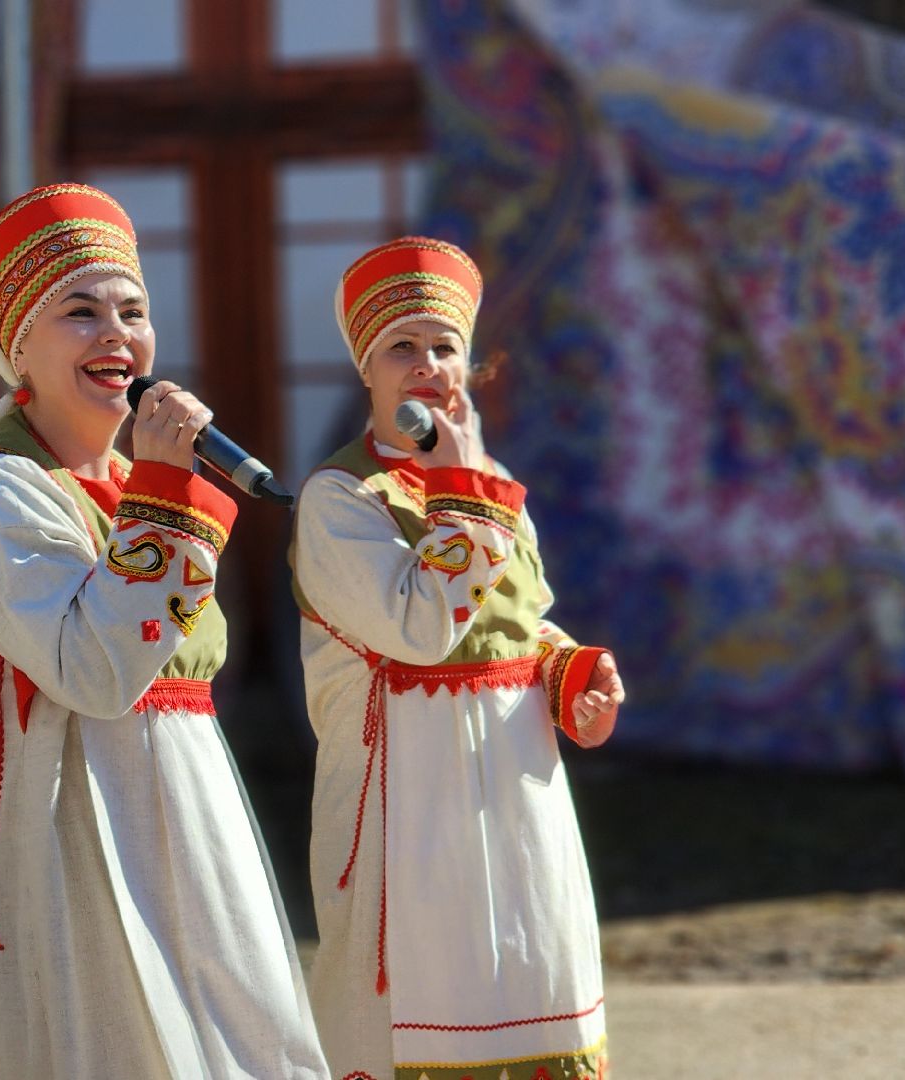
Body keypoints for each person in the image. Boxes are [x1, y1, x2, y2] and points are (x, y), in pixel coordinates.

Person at [0, 183, 329, 1079]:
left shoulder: (128, 481)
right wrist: (162, 492)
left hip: (183, 812)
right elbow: (94, 670)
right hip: (73, 839)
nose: (117, 333)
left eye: (133, 310)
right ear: (19, 350)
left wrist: (152, 488)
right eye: (80, 312)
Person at [291, 236, 626, 1079]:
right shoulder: (339, 498)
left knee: (532, 983)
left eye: (446, 346)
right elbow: (420, 627)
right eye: (402, 347)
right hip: (409, 801)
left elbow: (519, 622)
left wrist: (567, 672)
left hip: (517, 793)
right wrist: (459, 491)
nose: (429, 365)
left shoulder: (488, 478)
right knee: (427, 1004)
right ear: (366, 370)